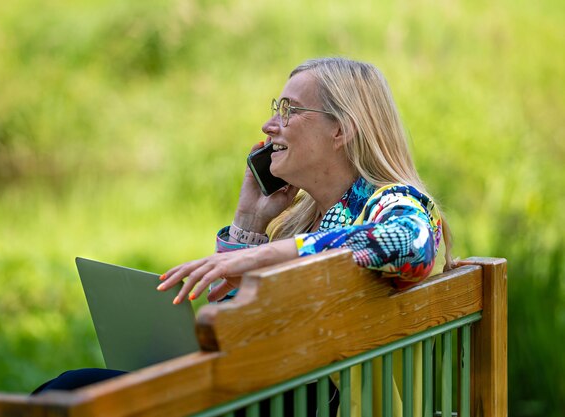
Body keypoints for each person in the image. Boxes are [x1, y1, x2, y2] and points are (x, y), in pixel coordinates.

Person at [35, 57, 452, 417]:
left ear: (340, 129)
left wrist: (269, 255)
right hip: (257, 394)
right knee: (69, 389)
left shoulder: (387, 201)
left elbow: (410, 242)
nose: (269, 125)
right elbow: (232, 318)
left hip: (292, 400)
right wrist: (250, 221)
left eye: (289, 111)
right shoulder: (306, 220)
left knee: (70, 393)